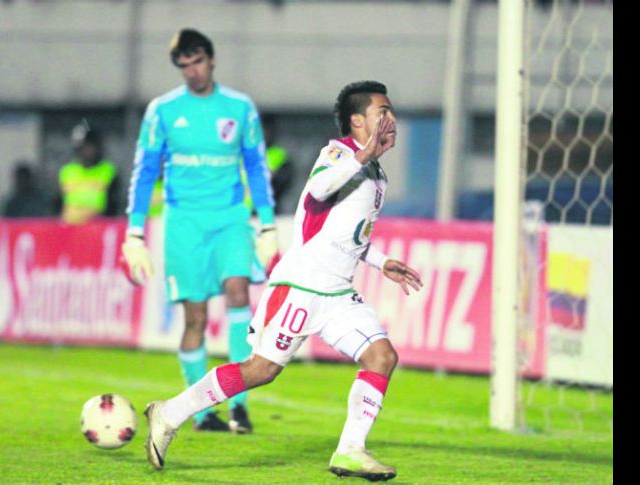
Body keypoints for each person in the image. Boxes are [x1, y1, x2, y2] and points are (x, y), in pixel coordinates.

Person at [142, 81, 422, 481]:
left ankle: (350, 451)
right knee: (260, 370)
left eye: (391, 111)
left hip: (339, 294)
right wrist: (363, 154)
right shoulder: (337, 153)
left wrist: (380, 261)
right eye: (383, 112)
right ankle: (169, 413)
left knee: (382, 357)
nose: (391, 119)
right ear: (358, 121)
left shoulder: (376, 172)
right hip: (301, 287)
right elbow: (319, 191)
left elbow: (346, 234)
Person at [121, 28, 279, 434]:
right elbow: (144, 172)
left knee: (239, 293)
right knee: (194, 318)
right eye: (184, 65)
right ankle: (202, 411)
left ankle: (238, 407)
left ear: (211, 60)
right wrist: (134, 233)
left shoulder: (240, 108)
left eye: (197, 62)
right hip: (184, 223)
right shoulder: (162, 110)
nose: (192, 72)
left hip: (229, 218)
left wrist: (267, 224)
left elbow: (257, 167)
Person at [57, 124, 120, 224]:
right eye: (82, 147)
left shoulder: (108, 170)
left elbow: (114, 203)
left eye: (89, 146)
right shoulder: (67, 171)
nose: (86, 151)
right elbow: (58, 202)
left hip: (98, 226)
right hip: (70, 227)